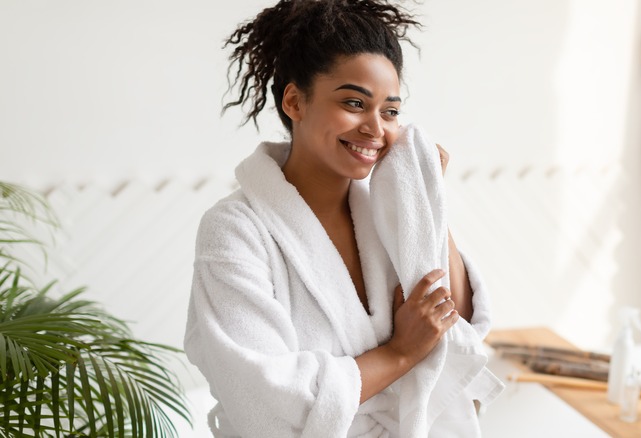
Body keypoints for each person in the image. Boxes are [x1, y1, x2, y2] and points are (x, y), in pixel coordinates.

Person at [184, 0, 495, 436]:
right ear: (294, 101)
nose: (376, 128)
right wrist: (400, 354)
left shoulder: (387, 212)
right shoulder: (235, 230)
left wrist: (427, 204)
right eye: (354, 102)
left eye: (390, 111)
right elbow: (262, 394)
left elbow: (454, 329)